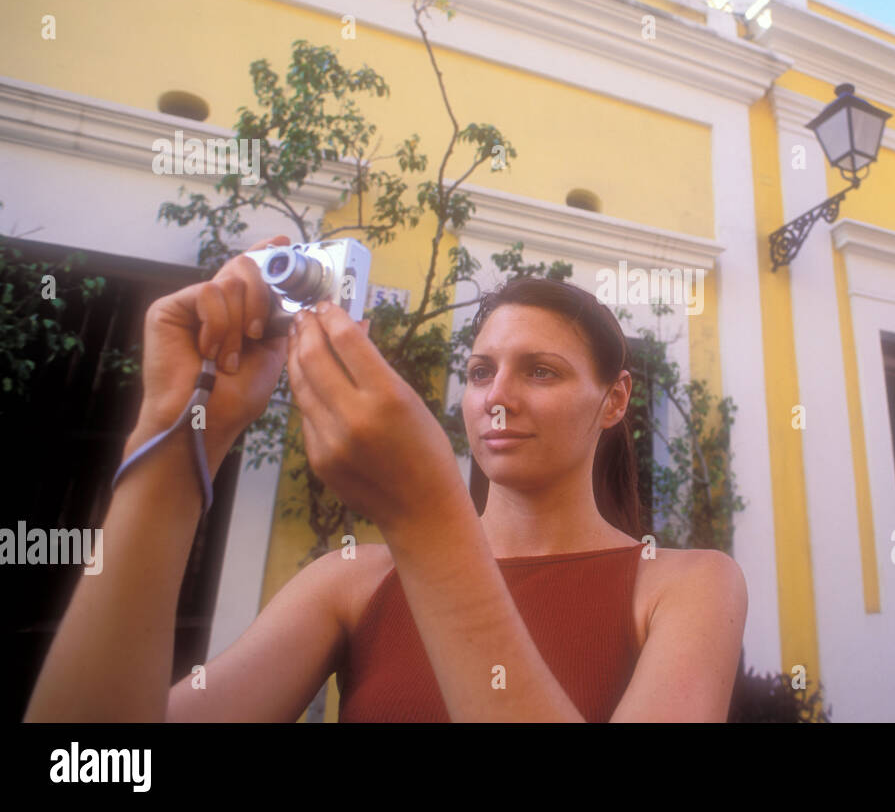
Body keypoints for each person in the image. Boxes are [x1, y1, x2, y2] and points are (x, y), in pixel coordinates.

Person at [23, 236, 747, 722]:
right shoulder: (351, 582)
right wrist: (175, 436)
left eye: (542, 371)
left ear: (615, 400)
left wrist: (427, 522)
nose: (498, 395)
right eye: (481, 370)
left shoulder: (687, 585)